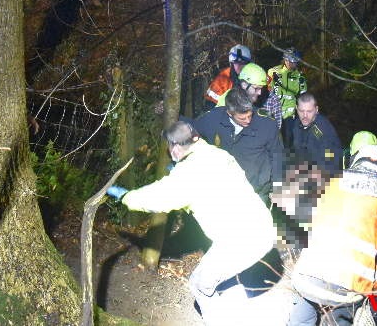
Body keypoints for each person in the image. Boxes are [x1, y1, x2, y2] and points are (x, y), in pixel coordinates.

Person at [106, 121, 276, 325]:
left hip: (242, 241)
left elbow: (158, 197)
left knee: (199, 283)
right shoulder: (217, 154)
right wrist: (180, 169)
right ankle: (236, 311)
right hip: (262, 226)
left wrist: (126, 197)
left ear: (176, 147)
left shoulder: (187, 175)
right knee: (223, 276)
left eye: (170, 147)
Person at [288, 145, 377, 326]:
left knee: (302, 313)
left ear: (355, 162)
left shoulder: (331, 183)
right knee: (339, 320)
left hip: (310, 273)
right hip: (350, 287)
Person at [194, 86, 283, 203]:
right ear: (229, 113)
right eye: (242, 118)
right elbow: (190, 130)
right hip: (224, 192)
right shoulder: (212, 119)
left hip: (257, 192)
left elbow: (277, 156)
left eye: (250, 115)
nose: (248, 120)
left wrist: (277, 187)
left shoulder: (267, 123)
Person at [283, 92, 342, 177]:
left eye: (309, 111)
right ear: (296, 108)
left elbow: (332, 159)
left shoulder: (322, 128)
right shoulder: (296, 125)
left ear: (316, 110)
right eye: (301, 111)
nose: (305, 116)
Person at [217, 63, 283, 129]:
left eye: (262, 88)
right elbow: (217, 124)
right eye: (256, 88)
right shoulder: (228, 99)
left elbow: (276, 129)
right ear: (244, 85)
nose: (260, 92)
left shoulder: (272, 100)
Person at [268, 48, 307, 120]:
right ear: (285, 60)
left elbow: (304, 97)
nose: (293, 64)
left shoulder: (300, 77)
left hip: (290, 115)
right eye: (291, 62)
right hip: (274, 112)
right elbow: (267, 91)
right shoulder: (273, 72)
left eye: (295, 62)